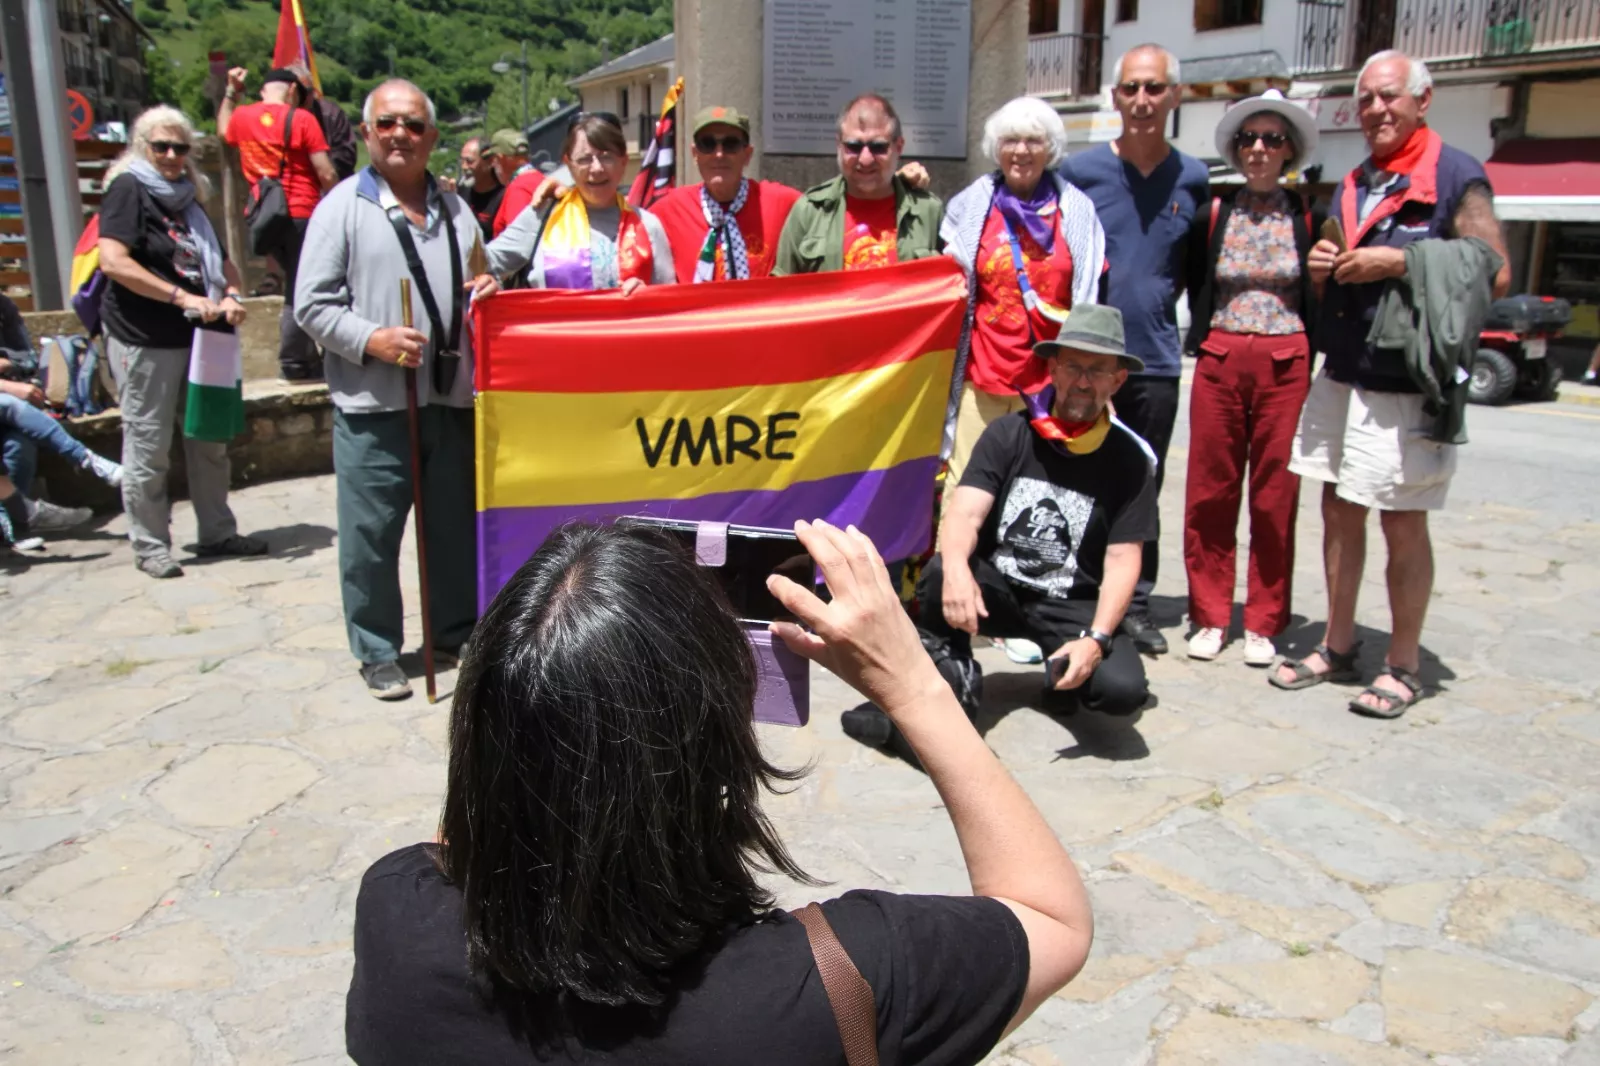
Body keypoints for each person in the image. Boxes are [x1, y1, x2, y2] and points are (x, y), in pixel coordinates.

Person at [346, 519, 1094, 1062]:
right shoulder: (841, 983)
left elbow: (483, 821)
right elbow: (1053, 920)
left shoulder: (396, 918)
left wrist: (548, 680)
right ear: (718, 745)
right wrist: (912, 684)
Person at [1273, 51, 1510, 718]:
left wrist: (1399, 262)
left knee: (1403, 521)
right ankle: (1338, 643)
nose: (1376, 109)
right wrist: (1325, 264)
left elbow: (1494, 272)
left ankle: (1403, 664)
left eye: (1389, 97)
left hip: (1407, 382)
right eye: (1367, 99)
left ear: (1422, 101)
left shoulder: (1456, 173)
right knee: (1338, 510)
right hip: (1344, 370)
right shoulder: (1358, 180)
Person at [841, 306, 1155, 754]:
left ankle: (1063, 674)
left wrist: (1097, 638)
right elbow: (965, 514)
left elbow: (1124, 558)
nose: (1083, 382)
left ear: (1118, 380)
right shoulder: (1009, 433)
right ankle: (948, 674)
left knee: (1121, 690)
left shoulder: (1129, 459)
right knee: (939, 573)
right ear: (1053, 369)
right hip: (998, 589)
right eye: (1073, 366)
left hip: (1071, 602)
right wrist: (956, 570)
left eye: (1098, 370)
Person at [296, 79, 499, 700]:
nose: (399, 135)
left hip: (449, 399)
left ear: (432, 136)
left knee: (452, 530)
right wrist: (372, 338)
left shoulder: (456, 210)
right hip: (374, 404)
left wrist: (487, 285)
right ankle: (377, 648)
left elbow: (480, 277)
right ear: (366, 133)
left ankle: (454, 633)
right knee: (371, 536)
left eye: (412, 124)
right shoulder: (341, 208)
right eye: (386, 123)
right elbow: (311, 305)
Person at [1057, 44, 1211, 657]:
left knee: (1142, 482)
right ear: (1115, 97)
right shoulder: (1081, 172)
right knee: (1075, 476)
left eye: (1154, 88)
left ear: (1175, 95)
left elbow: (1194, 268)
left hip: (1155, 360)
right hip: (1085, 358)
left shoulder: (1193, 178)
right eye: (1130, 89)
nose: (1142, 100)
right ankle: (1073, 593)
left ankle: (1135, 604)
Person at [1181, 91, 1323, 667]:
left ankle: (1264, 620)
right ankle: (1211, 614)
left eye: (1272, 138)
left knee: (1274, 496)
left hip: (1285, 362)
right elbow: (1193, 279)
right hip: (1220, 356)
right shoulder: (1214, 213)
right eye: (1249, 139)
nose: (1259, 148)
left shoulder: (1308, 215)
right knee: (1209, 492)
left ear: (1289, 149)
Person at [96, 105, 265, 579]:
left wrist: (231, 295)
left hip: (203, 339)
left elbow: (224, 263)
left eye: (180, 147)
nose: (171, 156)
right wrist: (180, 297)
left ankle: (216, 532)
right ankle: (150, 544)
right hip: (145, 336)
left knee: (209, 439)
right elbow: (113, 261)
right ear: (142, 147)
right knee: (149, 444)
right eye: (161, 147)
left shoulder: (190, 198)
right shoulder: (128, 188)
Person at [220, 66, 339, 382]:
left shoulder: (242, 117)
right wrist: (341, 202)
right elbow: (325, 171)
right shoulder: (302, 119)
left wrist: (231, 92)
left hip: (264, 216)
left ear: (263, 91)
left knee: (295, 282)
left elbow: (222, 130)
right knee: (303, 288)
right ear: (293, 91)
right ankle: (294, 361)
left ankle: (306, 358)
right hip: (301, 212)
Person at [487, 113, 675, 291]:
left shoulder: (648, 226)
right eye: (584, 159)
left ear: (623, 161)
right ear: (568, 163)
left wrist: (648, 297)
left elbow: (669, 300)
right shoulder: (543, 216)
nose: (597, 168)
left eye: (606, 157)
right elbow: (483, 264)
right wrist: (490, 283)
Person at [772, 93, 943, 276]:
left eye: (878, 147)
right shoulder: (809, 212)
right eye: (854, 147)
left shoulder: (928, 213)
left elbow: (952, 284)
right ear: (839, 145)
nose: (865, 159)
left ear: (899, 147)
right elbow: (782, 288)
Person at [648, 106, 803, 281]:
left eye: (731, 144)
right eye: (707, 144)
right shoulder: (667, 212)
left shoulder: (782, 203)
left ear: (747, 154)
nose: (719, 154)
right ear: (695, 154)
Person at [289, 63, 359, 181]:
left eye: (308, 91)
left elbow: (345, 157)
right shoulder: (276, 117)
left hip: (330, 184)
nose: (305, 97)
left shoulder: (331, 114)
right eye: (299, 92)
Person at [486, 128, 537, 237]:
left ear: (500, 158)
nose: (492, 165)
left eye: (493, 159)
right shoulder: (541, 179)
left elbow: (518, 239)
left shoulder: (518, 190)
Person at [456, 136, 504, 242]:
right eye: (462, 160)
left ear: (490, 162)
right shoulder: (460, 192)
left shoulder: (503, 195)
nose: (464, 167)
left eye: (469, 161)